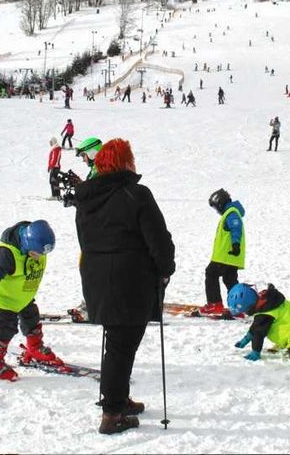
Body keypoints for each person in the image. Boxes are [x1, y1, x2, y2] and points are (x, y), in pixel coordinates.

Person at [73, 139, 176, 435]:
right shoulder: (136, 194)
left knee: (117, 342)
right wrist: (165, 268)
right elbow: (158, 238)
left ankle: (116, 399)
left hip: (96, 277)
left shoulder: (87, 197)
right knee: (121, 345)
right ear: (124, 162)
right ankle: (112, 413)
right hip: (131, 280)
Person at [0, 220, 62, 382]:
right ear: (26, 243)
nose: (39, 257)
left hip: (23, 297)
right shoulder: (7, 255)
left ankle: (34, 348)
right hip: (5, 301)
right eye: (36, 253)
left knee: (32, 318)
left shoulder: (36, 246)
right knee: (6, 328)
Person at [201, 188, 245, 316]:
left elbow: (236, 228)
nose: (217, 211)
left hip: (226, 255)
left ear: (220, 203)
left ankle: (214, 304)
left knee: (211, 274)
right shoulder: (232, 212)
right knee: (230, 279)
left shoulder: (231, 213)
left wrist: (235, 244)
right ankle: (238, 306)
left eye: (216, 207)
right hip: (232, 256)